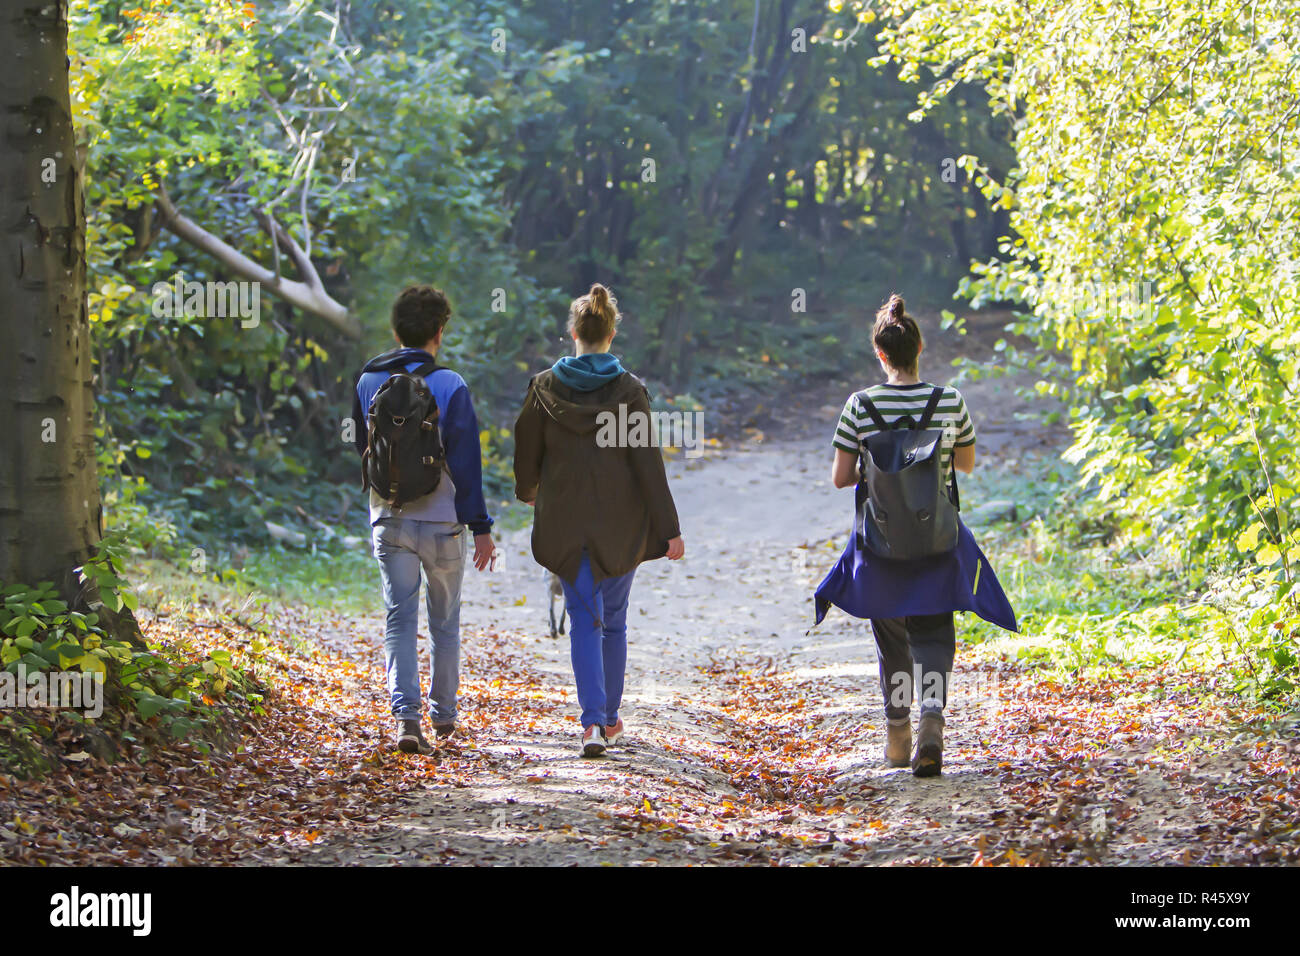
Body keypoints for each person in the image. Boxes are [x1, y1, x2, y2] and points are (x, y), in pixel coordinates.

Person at [823, 293, 1002, 777]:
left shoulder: (859, 406)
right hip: (936, 539)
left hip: (881, 543)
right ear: (919, 349)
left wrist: (878, 471)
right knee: (935, 631)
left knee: (892, 638)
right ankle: (932, 721)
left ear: (880, 355)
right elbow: (962, 465)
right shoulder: (948, 401)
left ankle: (898, 735)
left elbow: (841, 478)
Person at [513, 283, 685, 757]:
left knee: (582, 619)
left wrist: (532, 494)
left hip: (565, 522)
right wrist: (669, 528)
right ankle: (609, 721)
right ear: (612, 333)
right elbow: (647, 465)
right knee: (614, 622)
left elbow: (526, 450)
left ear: (573, 332)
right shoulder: (629, 391)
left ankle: (590, 724)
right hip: (620, 525)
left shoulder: (544, 387)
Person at [352, 285, 495, 755]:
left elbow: (362, 448)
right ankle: (445, 715)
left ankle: (406, 719)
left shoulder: (368, 381)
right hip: (443, 522)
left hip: (389, 519)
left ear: (396, 331)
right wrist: (481, 527)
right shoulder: (451, 384)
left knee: (399, 618)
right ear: (439, 332)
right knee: (445, 622)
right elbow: (467, 461)